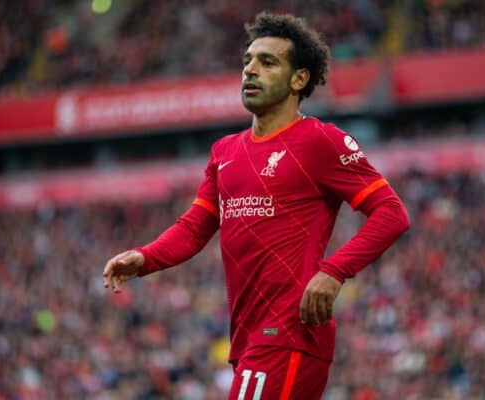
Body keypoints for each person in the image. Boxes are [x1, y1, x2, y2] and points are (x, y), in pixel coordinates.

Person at [103, 12, 410, 400]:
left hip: (288, 333)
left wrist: (334, 272)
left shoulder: (320, 141)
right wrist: (145, 258)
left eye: (267, 63)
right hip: (248, 337)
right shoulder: (224, 151)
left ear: (299, 78)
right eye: (247, 61)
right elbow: (195, 227)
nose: (250, 70)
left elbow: (391, 213)